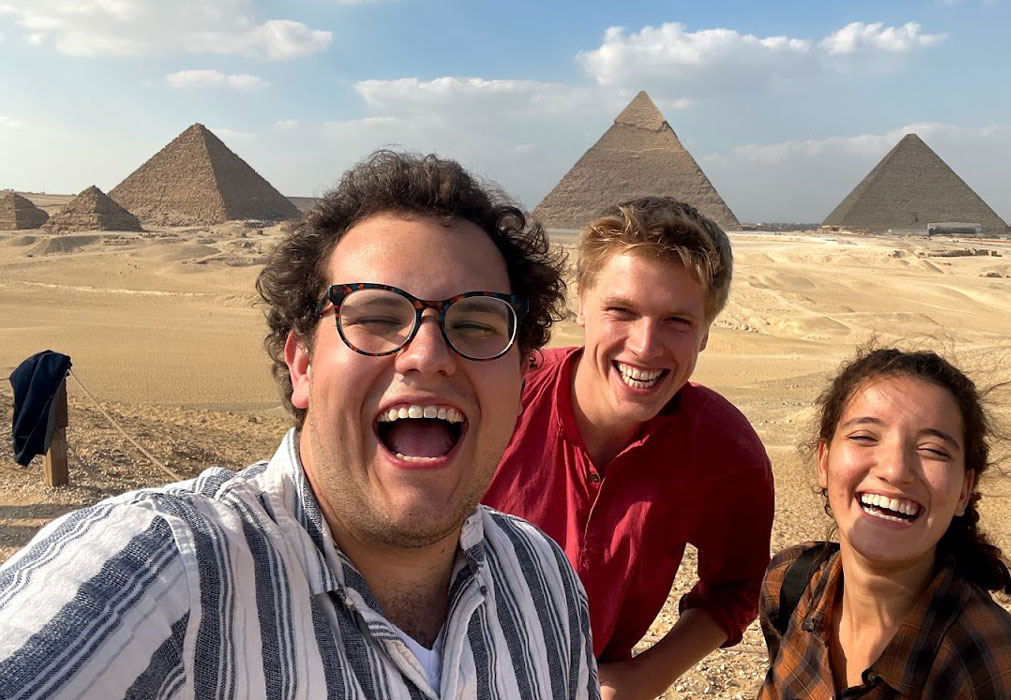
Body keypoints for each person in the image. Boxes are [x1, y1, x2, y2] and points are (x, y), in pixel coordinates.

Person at [0, 150, 600, 700]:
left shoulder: (543, 581)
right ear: (303, 364)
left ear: (522, 380)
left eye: (476, 324)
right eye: (377, 315)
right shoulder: (163, 575)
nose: (426, 354)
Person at [483, 196, 775, 699]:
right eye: (622, 310)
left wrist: (646, 676)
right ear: (581, 302)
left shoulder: (726, 454)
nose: (644, 346)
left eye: (677, 322)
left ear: (705, 332)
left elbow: (737, 587)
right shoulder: (495, 394)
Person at [757, 348, 1011, 700]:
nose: (895, 470)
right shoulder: (791, 585)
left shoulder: (1007, 683)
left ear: (964, 490)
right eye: (864, 436)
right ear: (824, 462)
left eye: (933, 450)